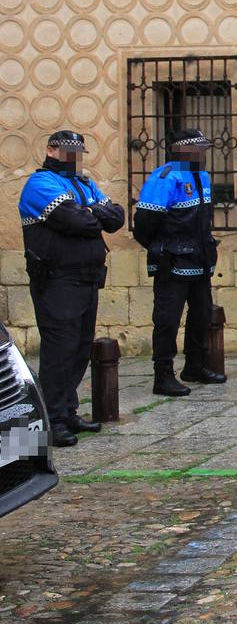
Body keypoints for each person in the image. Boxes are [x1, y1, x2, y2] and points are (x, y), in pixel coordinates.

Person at [18, 131, 126, 447]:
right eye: (67, 151)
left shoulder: (82, 183)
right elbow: (77, 222)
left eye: (77, 151)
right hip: (57, 280)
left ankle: (67, 412)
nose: (73, 157)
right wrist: (94, 212)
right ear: (51, 150)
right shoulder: (40, 184)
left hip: (86, 277)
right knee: (59, 352)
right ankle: (51, 421)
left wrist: (91, 211)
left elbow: (116, 218)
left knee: (79, 349)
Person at [133, 129, 224, 397]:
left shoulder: (203, 177)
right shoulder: (165, 177)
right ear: (183, 151)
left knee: (202, 315)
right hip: (172, 260)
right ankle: (163, 375)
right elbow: (145, 224)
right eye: (199, 150)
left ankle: (195, 366)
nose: (203, 154)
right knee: (167, 320)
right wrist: (161, 248)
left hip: (200, 258)